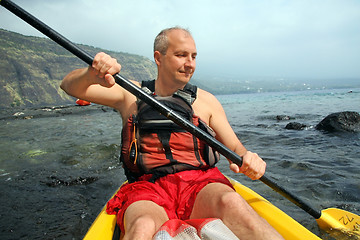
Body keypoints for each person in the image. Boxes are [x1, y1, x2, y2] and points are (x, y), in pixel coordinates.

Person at [61, 27, 284, 240]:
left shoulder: (207, 102)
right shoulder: (130, 94)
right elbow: (70, 86)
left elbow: (236, 149)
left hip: (200, 184)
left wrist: (249, 157)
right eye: (181, 55)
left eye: (194, 56)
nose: (190, 64)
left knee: (233, 204)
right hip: (148, 187)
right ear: (158, 58)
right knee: (142, 227)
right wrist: (91, 73)